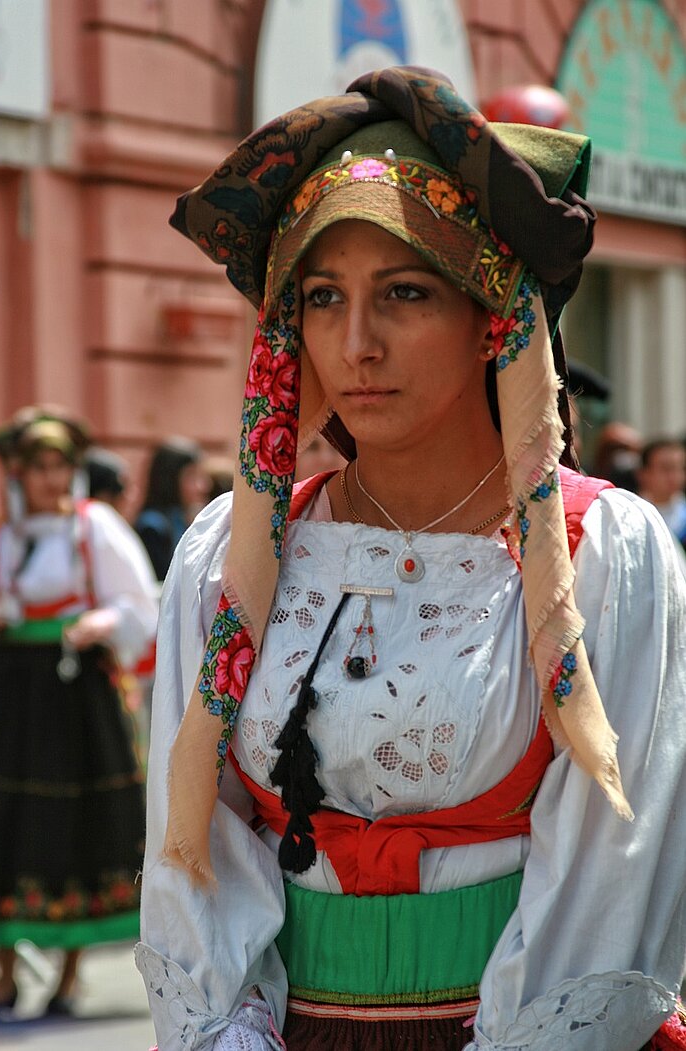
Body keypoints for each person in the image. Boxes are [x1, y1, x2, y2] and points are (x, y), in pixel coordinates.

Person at [135, 67, 686, 1051]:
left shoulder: (599, 550)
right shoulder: (235, 549)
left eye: (404, 292)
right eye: (321, 296)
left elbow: (617, 869)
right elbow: (197, 858)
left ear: (493, 318)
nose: (356, 343)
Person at [0, 409, 158, 1019]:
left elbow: (139, 601)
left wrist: (100, 624)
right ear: (19, 473)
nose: (52, 479)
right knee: (3, 818)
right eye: (40, 468)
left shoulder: (95, 529)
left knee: (81, 815)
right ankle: (2, 978)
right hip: (13, 692)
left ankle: (67, 976)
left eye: (61, 466)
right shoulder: (2, 536)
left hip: (77, 690)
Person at [135, 438, 210, 581]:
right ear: (169, 478)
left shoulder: (183, 518)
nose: (202, 486)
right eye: (192, 476)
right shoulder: (152, 526)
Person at [638, 438, 686, 548]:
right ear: (643, 473)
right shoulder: (630, 517)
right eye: (666, 468)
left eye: (680, 468)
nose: (674, 476)